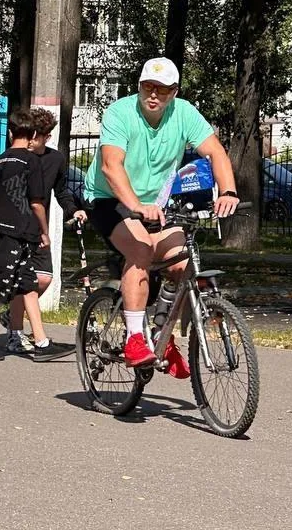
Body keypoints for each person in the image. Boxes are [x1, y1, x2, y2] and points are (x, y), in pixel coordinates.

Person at [84, 57, 239, 375]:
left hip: (156, 203)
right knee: (140, 248)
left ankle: (161, 332)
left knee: (184, 264)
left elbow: (216, 152)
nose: (154, 95)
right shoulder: (121, 113)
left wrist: (228, 192)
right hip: (109, 199)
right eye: (147, 87)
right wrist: (137, 207)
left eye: (163, 90)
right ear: (139, 86)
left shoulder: (184, 113)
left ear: (174, 92)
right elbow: (111, 166)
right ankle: (135, 339)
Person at [0, 108, 70, 360]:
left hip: (3, 230)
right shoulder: (31, 161)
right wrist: (44, 232)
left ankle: (42, 343)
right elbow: (37, 203)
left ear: (10, 132)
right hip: (18, 232)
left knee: (28, 285)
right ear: (33, 133)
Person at [0, 107, 86, 355]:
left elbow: (62, 191)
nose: (34, 140)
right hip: (17, 228)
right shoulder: (17, 159)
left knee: (43, 279)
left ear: (46, 136)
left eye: (41, 136)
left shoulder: (55, 160)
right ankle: (16, 334)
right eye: (33, 134)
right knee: (25, 283)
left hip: (37, 228)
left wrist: (72, 210)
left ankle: (14, 316)